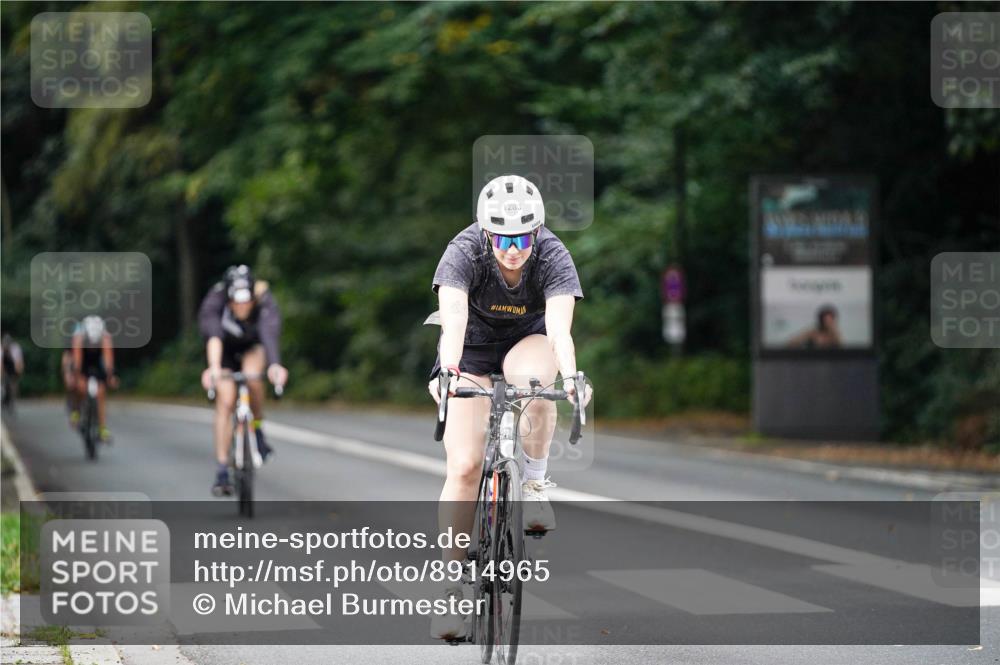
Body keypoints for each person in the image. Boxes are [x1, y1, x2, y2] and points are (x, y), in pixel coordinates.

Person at [427, 174, 592, 639]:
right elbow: (453, 319)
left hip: (528, 342)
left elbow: (560, 330)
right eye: (502, 237)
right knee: (463, 465)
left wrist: (574, 377)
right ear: (486, 231)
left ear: (536, 231)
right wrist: (450, 371)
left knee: (538, 383)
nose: (513, 248)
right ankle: (453, 586)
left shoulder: (553, 254)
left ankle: (535, 483)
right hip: (470, 352)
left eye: (522, 237)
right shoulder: (464, 250)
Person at [198, 265, 288, 497]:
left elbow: (269, 334)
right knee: (225, 400)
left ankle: (257, 430)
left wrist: (275, 365)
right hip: (225, 352)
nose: (242, 306)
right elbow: (214, 338)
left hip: (252, 348)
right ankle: (221, 469)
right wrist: (214, 369)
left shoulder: (264, 300)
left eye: (246, 301)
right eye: (236, 302)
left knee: (253, 378)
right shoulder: (214, 302)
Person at [71, 316, 118, 441]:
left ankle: (102, 428)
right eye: (90, 343)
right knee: (80, 387)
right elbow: (77, 362)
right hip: (84, 361)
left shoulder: (105, 337)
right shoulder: (79, 337)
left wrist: (110, 376)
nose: (92, 345)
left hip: (97, 361)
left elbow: (108, 361)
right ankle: (76, 411)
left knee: (101, 392)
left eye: (95, 343)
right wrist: (76, 377)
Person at [1, 333, 25, 411]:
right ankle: (5, 397)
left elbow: (19, 362)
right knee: (5, 383)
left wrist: (18, 373)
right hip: (4, 368)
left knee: (13, 384)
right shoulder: (1, 349)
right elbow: (1, 364)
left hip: (13, 368)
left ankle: (12, 398)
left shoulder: (15, 348)